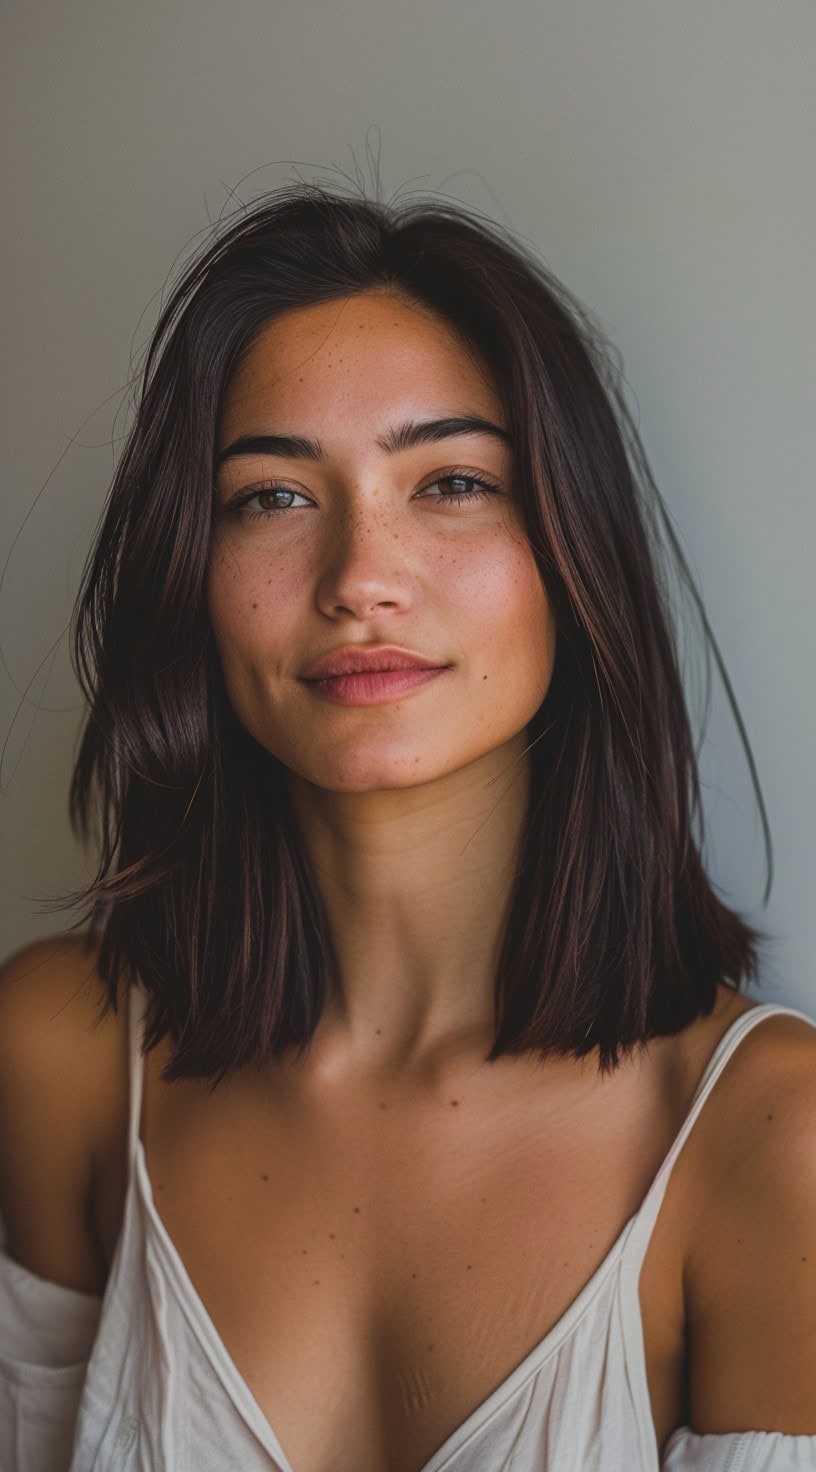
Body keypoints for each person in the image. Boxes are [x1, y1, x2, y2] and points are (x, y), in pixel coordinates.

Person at [1, 183, 815, 1472]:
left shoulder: (771, 1136)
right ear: (191, 576)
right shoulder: (61, 1057)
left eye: (450, 481)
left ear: (571, 550)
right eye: (271, 496)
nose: (360, 577)